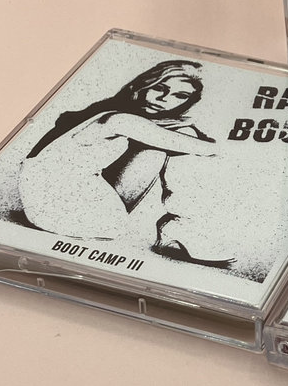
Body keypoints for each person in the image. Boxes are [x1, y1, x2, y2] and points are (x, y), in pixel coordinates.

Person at [19, 60, 221, 248]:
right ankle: (179, 228)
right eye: (159, 88)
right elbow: (208, 149)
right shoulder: (119, 119)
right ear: (142, 86)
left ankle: (179, 227)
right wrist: (189, 129)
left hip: (44, 200)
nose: (164, 99)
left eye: (180, 96)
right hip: (59, 208)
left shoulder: (109, 111)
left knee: (173, 139)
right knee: (160, 149)